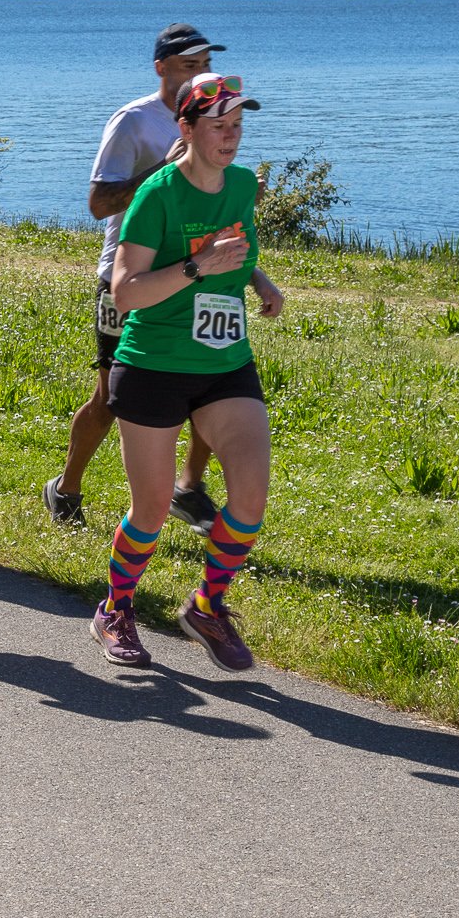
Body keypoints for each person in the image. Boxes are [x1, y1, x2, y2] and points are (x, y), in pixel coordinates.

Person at [88, 72, 284, 674]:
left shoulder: (244, 185)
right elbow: (124, 292)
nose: (231, 137)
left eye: (238, 125)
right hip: (153, 363)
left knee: (250, 496)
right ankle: (116, 609)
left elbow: (236, 245)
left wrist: (257, 278)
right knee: (149, 508)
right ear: (187, 128)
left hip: (224, 362)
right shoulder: (158, 195)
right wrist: (197, 269)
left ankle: (208, 605)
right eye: (218, 125)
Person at [44, 23, 227, 534]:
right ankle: (65, 488)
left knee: (210, 386)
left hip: (195, 272)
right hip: (128, 275)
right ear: (162, 68)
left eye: (205, 64)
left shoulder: (214, 117)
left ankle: (188, 489)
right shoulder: (133, 122)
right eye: (190, 65)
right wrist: (159, 172)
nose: (201, 74)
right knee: (112, 397)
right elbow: (99, 203)